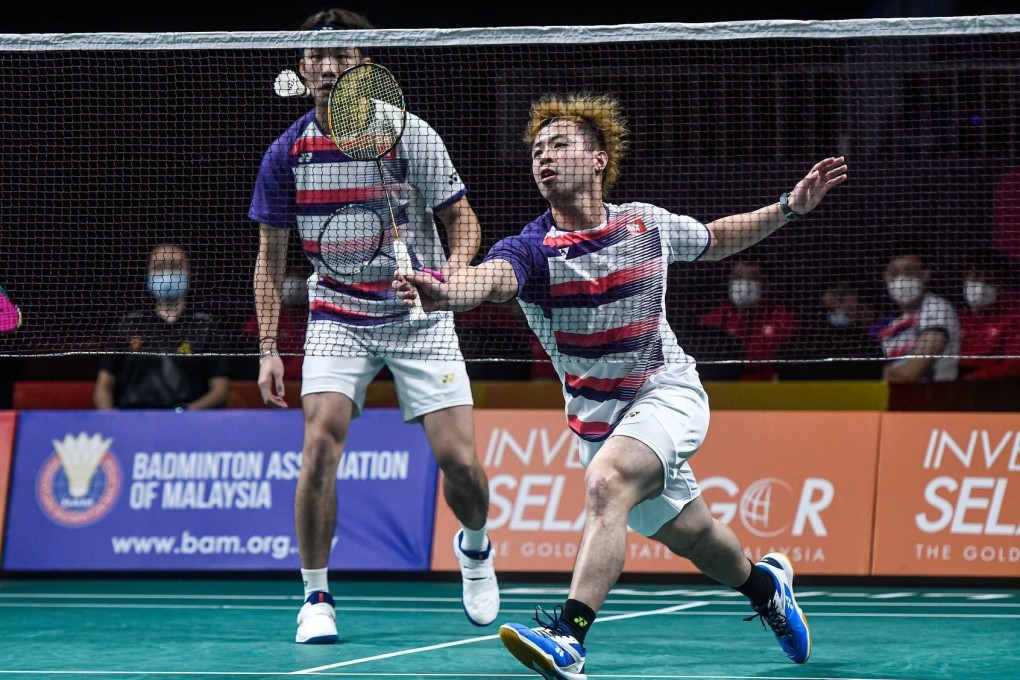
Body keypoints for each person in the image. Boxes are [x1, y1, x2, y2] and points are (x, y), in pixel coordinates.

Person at [394, 93, 847, 677]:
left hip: (666, 392)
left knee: (606, 485)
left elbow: (717, 238)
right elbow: (484, 281)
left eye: (559, 145)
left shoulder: (645, 225)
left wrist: (788, 207)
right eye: (536, 150)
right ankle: (766, 587)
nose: (544, 157)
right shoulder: (532, 250)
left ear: (599, 158)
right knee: (698, 539)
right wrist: (441, 291)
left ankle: (569, 637)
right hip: (598, 421)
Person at [249, 8, 498, 645]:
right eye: (317, 57)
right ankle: (315, 596)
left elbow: (463, 221)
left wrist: (450, 275)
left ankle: (474, 545)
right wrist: (270, 346)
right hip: (336, 313)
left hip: (419, 315)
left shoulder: (408, 136)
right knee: (319, 445)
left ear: (364, 65)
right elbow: (271, 257)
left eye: (343, 56)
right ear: (301, 70)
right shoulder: (288, 153)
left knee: (461, 465)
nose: (329, 65)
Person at [94, 244, 231, 410]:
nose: (168, 273)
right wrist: (113, 420)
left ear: (189, 273)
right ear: (148, 275)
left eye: (175, 266)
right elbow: (104, 386)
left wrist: (184, 414)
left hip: (189, 421)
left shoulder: (206, 326)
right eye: (159, 267)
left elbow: (220, 390)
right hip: (134, 419)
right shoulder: (127, 325)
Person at [696, 260, 798, 380]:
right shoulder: (712, 320)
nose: (743, 284)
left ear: (766, 284)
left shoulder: (784, 320)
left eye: (752, 278)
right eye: (738, 277)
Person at [876, 253, 961, 382]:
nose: (901, 280)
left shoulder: (937, 308)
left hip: (933, 398)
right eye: (894, 274)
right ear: (885, 278)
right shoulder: (889, 325)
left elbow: (909, 373)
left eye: (909, 272)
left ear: (926, 274)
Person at [776, 281, 884, 380]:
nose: (853, 302)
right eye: (841, 294)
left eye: (851, 294)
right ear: (826, 298)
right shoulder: (799, 344)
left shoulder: (868, 345)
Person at [244, 268, 309, 381]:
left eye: (300, 278)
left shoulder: (310, 319)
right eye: (290, 278)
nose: (295, 285)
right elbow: (247, 340)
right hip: (268, 378)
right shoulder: (268, 315)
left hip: (301, 381)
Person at [957, 266, 1020, 380]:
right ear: (965, 281)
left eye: (989, 281)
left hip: (991, 385)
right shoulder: (956, 317)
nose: (980, 286)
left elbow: (1016, 363)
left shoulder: (1013, 318)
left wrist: (975, 377)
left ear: (1001, 288)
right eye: (975, 278)